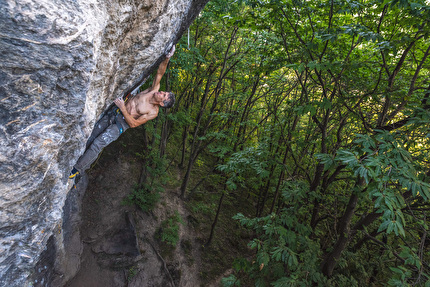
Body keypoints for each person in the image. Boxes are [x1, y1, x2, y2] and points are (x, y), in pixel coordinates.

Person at [69, 46, 176, 179]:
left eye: (163, 95)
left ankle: (76, 170)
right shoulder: (153, 90)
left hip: (121, 124)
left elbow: (134, 124)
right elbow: (160, 73)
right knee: (92, 134)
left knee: (98, 143)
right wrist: (167, 57)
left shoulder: (153, 112)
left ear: (161, 103)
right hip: (115, 112)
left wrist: (123, 108)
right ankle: (75, 159)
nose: (161, 92)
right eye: (164, 92)